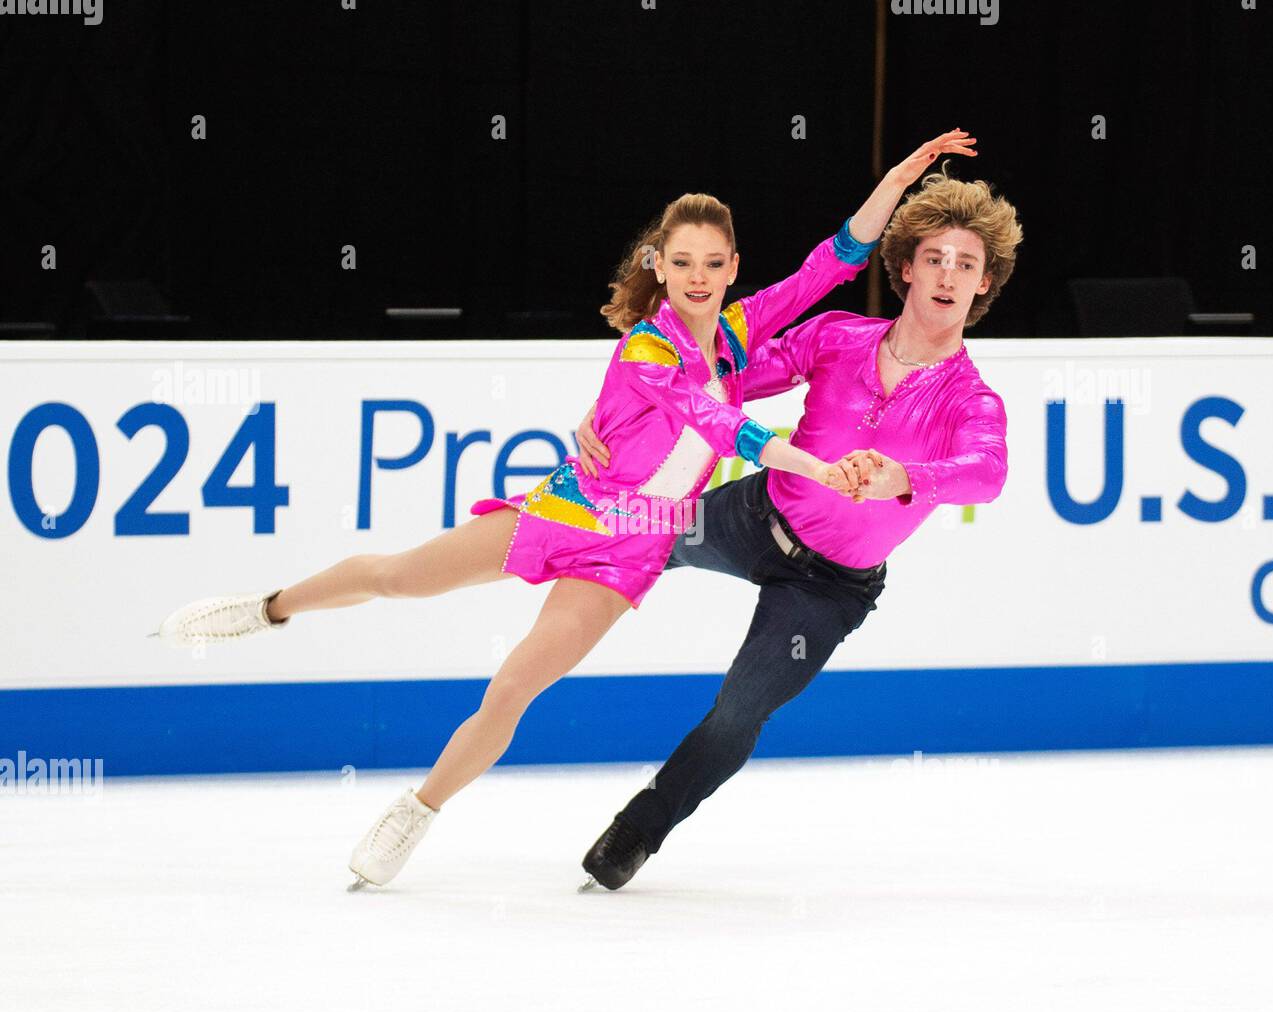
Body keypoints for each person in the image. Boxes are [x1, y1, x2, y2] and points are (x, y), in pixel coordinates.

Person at [150, 129, 977, 890]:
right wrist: (818, 466)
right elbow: (725, 424)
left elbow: (831, 263)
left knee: (513, 687)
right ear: (658, 263)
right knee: (401, 578)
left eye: (713, 263)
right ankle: (269, 607)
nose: (696, 276)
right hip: (571, 507)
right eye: (682, 261)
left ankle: (418, 810)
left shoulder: (733, 335)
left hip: (636, 547)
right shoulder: (648, 348)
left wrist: (900, 181)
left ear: (731, 269)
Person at [576, 160, 1024, 891]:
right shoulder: (839, 336)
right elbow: (712, 376)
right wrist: (609, 409)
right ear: (906, 267)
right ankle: (500, 571)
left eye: (966, 264)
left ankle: (641, 827)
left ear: (983, 284)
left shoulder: (970, 399)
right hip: (751, 515)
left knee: (737, 713)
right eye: (934, 258)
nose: (947, 274)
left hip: (828, 590)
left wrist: (908, 477)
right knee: (616, 538)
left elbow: (989, 471)